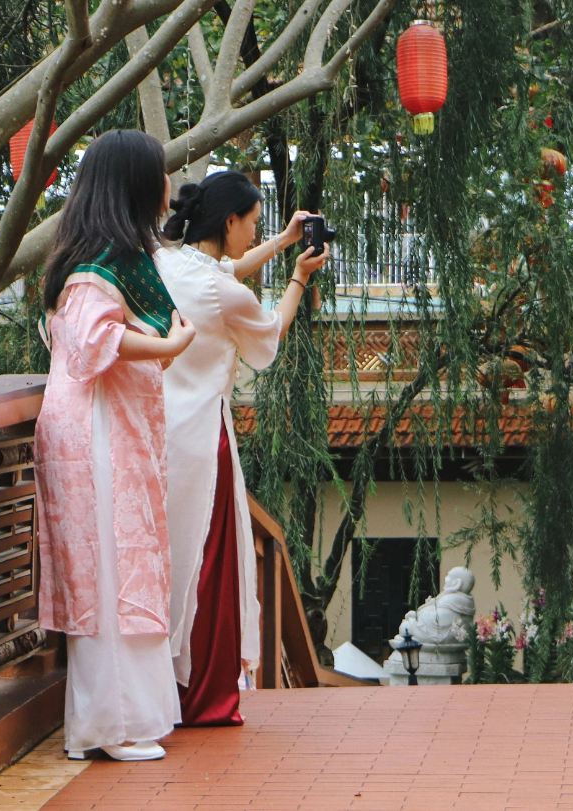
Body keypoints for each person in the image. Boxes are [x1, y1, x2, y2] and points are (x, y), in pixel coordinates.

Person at [35, 130, 196, 761]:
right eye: (159, 174)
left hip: (113, 430)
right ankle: (110, 725)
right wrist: (169, 347)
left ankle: (109, 723)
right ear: (134, 183)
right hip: (96, 434)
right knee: (110, 572)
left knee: (119, 567)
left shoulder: (110, 255)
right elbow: (90, 343)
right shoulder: (96, 266)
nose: (167, 187)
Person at [155, 171, 326, 725]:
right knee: (209, 566)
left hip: (159, 435)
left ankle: (164, 688)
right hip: (205, 439)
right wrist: (298, 277)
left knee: (171, 562)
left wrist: (279, 241)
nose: (253, 236)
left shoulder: (166, 263)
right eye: (251, 226)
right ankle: (204, 695)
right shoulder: (224, 291)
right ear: (229, 222)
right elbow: (269, 332)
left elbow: (223, 272)